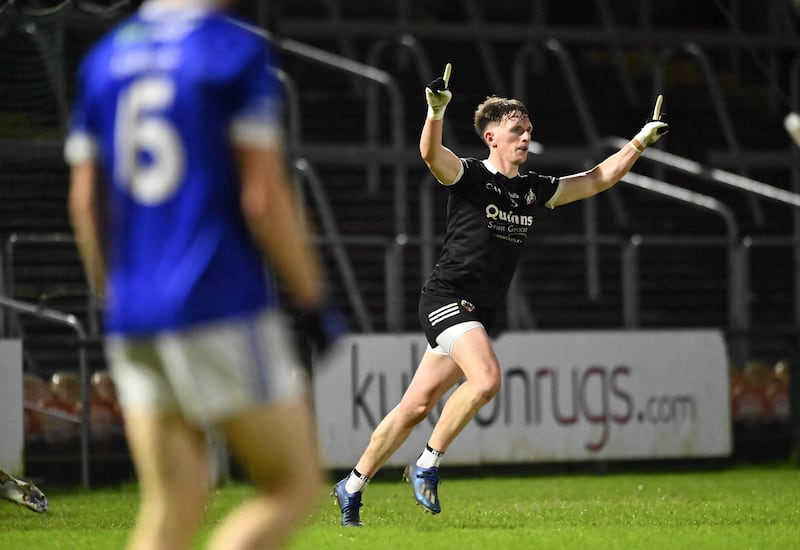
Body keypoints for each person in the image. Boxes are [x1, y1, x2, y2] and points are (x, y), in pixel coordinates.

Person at [332, 63, 668, 526]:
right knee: (487, 379)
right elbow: (431, 155)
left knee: (414, 406)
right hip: (446, 297)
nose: (525, 137)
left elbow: (596, 179)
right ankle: (427, 463)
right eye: (515, 130)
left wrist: (638, 143)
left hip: (477, 310)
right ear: (491, 138)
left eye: (528, 130)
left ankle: (350, 485)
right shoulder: (471, 176)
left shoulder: (531, 190)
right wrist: (435, 112)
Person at [65, 1, 342, 548]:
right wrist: (312, 300)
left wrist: (114, 293)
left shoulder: (104, 58)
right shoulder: (232, 49)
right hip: (215, 300)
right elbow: (263, 197)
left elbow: (83, 198)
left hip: (134, 312)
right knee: (291, 484)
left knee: (172, 501)